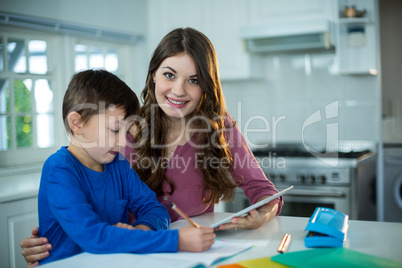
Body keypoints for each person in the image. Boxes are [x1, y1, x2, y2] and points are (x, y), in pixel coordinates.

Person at [20, 28, 281, 266]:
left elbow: (264, 192)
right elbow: (87, 214)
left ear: (205, 86)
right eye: (169, 75)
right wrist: (55, 238)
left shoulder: (219, 128)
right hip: (125, 255)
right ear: (153, 75)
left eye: (193, 80)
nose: (178, 90)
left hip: (186, 253)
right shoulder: (125, 124)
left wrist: (262, 215)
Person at [32, 69, 215, 265]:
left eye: (126, 131)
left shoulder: (118, 165)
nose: (122, 142)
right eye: (114, 130)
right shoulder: (59, 170)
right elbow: (93, 237)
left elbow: (156, 210)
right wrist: (177, 241)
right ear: (77, 124)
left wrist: (139, 232)